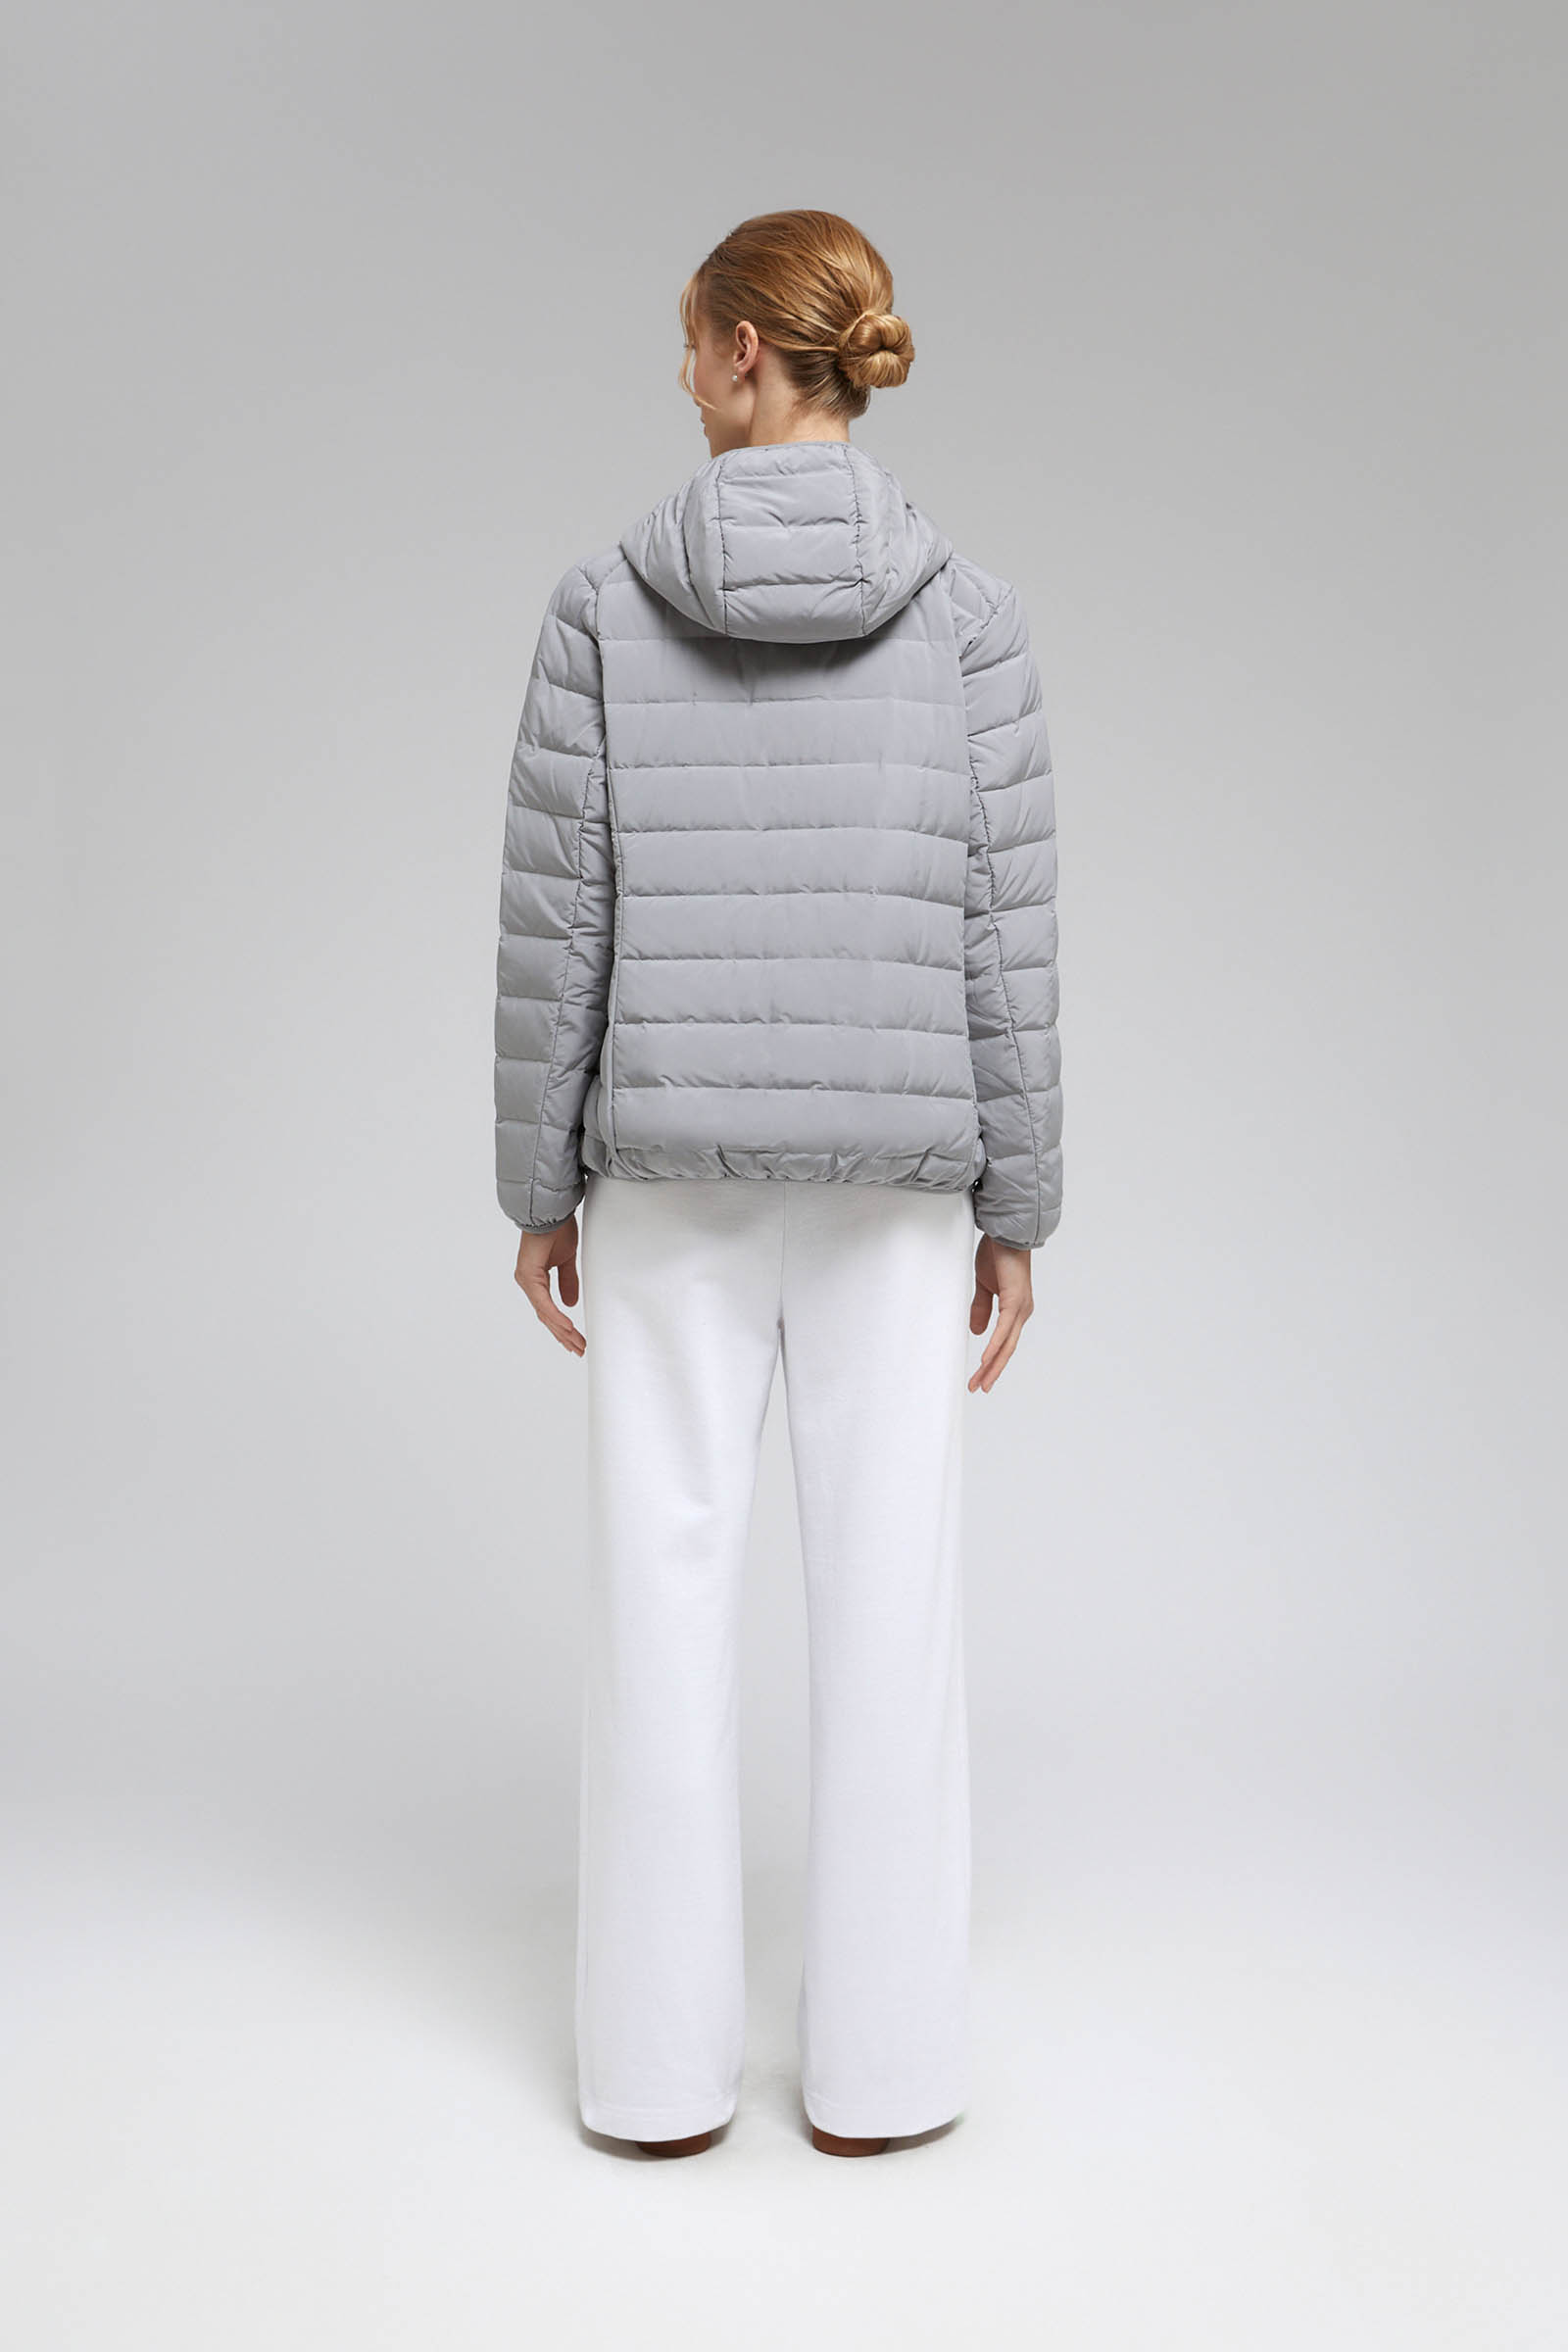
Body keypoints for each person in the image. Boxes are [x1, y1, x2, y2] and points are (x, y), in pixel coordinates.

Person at [493, 210, 1061, 2160]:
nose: (677, 379)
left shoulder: (599, 608)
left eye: (687, 343)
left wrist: (535, 1180)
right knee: (892, 1610)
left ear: (746, 351)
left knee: (656, 1612)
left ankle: (653, 2081)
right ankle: (887, 2078)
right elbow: (1004, 940)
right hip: (900, 1183)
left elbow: (556, 927)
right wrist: (1017, 1204)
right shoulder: (972, 620)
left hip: (666, 1174)